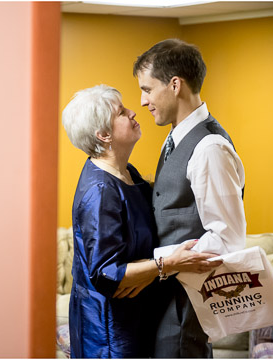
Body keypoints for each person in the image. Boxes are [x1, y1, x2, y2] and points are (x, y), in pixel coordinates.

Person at [62, 84, 222, 358]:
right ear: (104, 135)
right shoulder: (99, 192)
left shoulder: (127, 173)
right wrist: (167, 264)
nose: (134, 112)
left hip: (136, 317)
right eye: (122, 112)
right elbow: (106, 275)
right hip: (110, 333)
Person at [133, 39, 247, 358]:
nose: (143, 101)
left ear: (174, 85)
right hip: (164, 303)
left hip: (186, 310)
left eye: (147, 89)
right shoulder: (173, 139)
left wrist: (158, 261)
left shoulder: (209, 148)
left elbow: (228, 240)